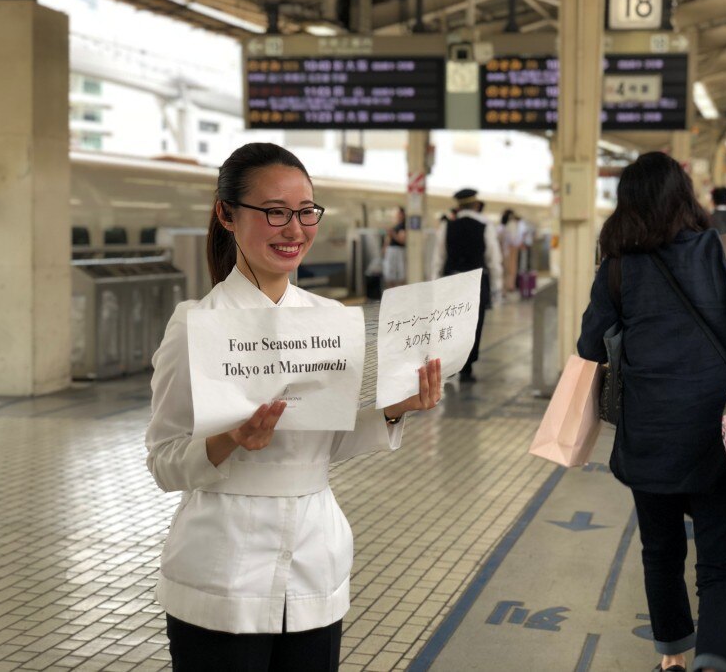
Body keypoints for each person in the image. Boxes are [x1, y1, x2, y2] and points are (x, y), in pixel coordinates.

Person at [146, 143, 442, 671]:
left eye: (306, 212)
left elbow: (327, 441)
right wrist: (230, 439)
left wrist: (396, 409)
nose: (295, 229)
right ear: (227, 214)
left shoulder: (330, 322)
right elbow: (164, 461)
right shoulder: (197, 325)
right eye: (276, 212)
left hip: (315, 562)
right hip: (221, 573)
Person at [577, 153, 726, 672]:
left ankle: (673, 658)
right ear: (685, 196)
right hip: (724, 437)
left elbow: (590, 346)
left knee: (660, 553)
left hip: (648, 438)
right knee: (720, 568)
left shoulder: (618, 268)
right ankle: (713, 663)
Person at [432, 188, 503, 383]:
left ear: (458, 205)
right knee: (473, 325)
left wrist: (435, 284)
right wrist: (497, 288)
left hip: (451, 282)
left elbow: (438, 259)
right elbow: (493, 260)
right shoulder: (485, 226)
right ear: (475, 204)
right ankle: (467, 368)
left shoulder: (447, 227)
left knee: (451, 324)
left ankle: (451, 364)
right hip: (475, 282)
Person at [382, 206, 407, 287]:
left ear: (402, 214)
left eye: (398, 213)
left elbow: (402, 240)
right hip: (391, 252)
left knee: (399, 276)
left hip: (398, 252)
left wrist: (392, 234)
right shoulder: (396, 225)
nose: (397, 215)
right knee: (390, 275)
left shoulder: (403, 226)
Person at [499, 209, 521, 293]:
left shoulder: (503, 226)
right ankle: (509, 287)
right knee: (510, 270)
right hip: (510, 250)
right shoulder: (511, 225)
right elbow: (514, 239)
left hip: (505, 250)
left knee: (506, 270)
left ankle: (506, 287)